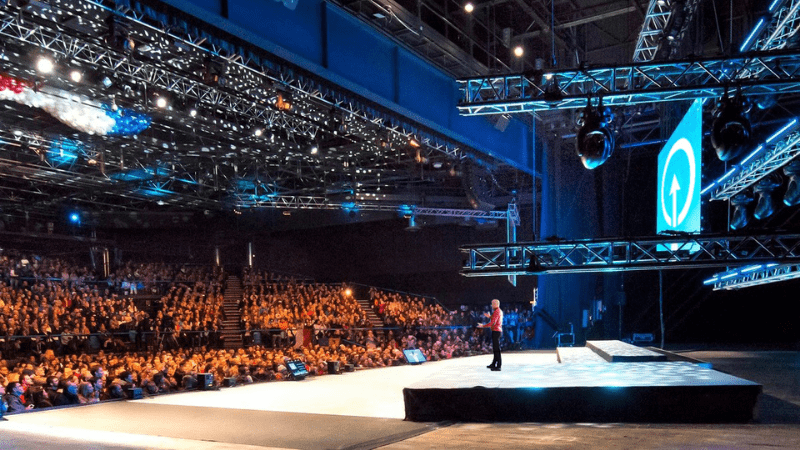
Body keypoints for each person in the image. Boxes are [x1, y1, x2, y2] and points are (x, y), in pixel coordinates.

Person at [479, 299, 503, 371]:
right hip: (496, 331)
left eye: (492, 304)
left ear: (496, 304)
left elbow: (493, 323)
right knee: (495, 349)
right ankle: (494, 363)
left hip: (496, 331)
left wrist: (483, 326)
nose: (491, 305)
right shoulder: (498, 311)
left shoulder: (496, 312)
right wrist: (490, 317)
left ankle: (498, 365)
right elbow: (495, 319)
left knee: (496, 349)